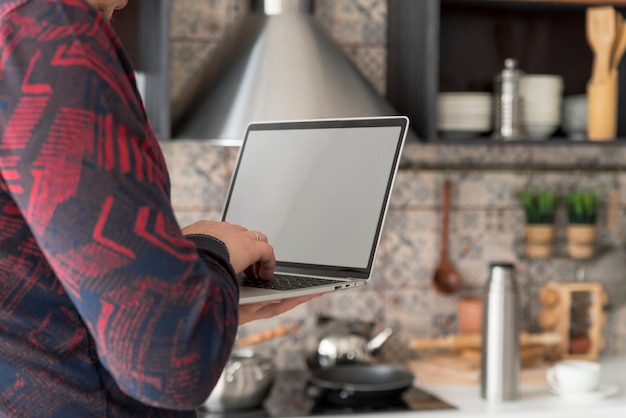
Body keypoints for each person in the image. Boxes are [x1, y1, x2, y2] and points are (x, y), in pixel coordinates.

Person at [0, 0, 316, 416]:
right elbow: (170, 361)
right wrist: (210, 249)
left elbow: (41, 291)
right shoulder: (46, 33)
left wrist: (191, 292)